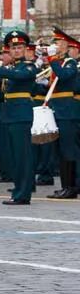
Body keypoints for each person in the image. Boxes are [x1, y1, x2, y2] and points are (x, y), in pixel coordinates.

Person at [0, 30, 36, 206]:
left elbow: (21, 77)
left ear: (25, 48)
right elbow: (4, 93)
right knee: (15, 157)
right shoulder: (11, 69)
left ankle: (23, 193)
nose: (16, 50)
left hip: (21, 116)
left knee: (23, 156)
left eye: (19, 47)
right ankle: (19, 190)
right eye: (13, 47)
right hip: (9, 116)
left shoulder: (28, 66)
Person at [48, 28, 80, 198]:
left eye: (58, 42)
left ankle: (71, 187)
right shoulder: (60, 62)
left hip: (68, 112)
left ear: (66, 45)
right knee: (61, 150)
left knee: (68, 150)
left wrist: (52, 60)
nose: (55, 45)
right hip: (58, 110)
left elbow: (63, 76)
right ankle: (65, 186)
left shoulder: (70, 63)